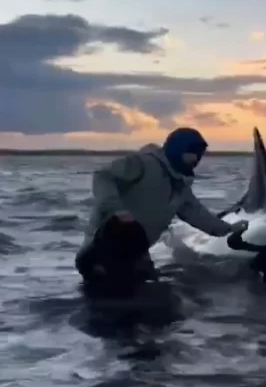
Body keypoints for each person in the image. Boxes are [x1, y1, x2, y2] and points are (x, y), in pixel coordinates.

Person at [75, 127, 248, 298]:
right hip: (100, 253)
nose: (196, 158)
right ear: (177, 148)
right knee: (115, 302)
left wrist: (227, 229)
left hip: (137, 255)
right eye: (191, 152)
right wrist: (116, 209)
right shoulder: (142, 164)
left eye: (199, 153)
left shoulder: (180, 186)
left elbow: (196, 213)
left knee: (158, 307)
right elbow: (103, 176)